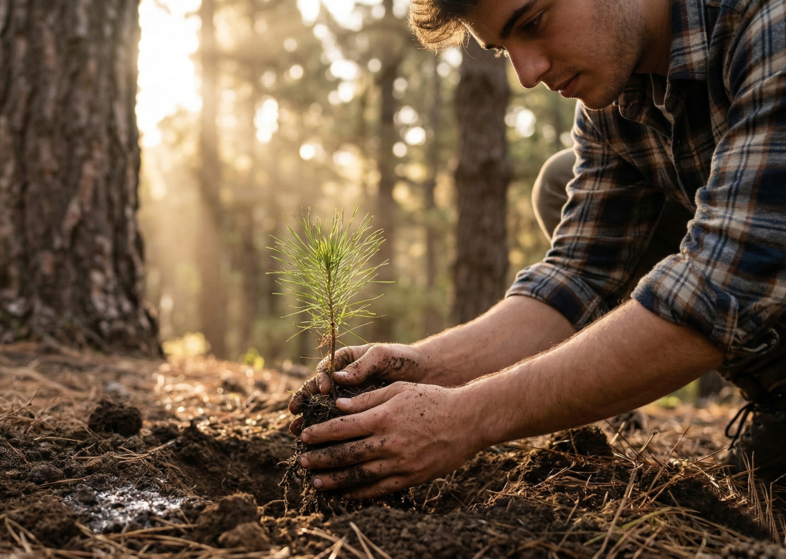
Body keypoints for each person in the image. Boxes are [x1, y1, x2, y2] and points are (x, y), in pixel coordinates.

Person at [288, 0, 786, 501]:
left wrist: (469, 417)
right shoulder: (614, 96)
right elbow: (579, 278)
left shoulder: (769, 25)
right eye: (505, 49)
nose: (527, 74)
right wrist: (426, 365)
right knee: (558, 182)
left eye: (533, 23)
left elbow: (722, 286)